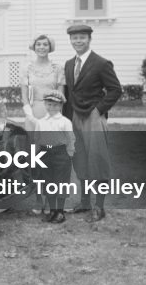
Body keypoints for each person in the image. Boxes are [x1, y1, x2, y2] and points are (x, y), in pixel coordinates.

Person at [63, 23, 122, 221]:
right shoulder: (69, 64)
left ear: (89, 39)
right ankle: (85, 202)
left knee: (97, 161)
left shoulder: (101, 63)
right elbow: (70, 93)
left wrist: (99, 110)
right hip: (74, 118)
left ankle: (99, 207)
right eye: (74, 38)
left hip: (94, 118)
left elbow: (115, 90)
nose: (78, 41)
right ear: (70, 40)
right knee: (80, 161)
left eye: (82, 37)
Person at [20, 34, 63, 214]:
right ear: (34, 47)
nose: (42, 47)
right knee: (36, 160)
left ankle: (53, 200)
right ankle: (39, 201)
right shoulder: (27, 69)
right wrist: (30, 115)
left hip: (52, 114)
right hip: (34, 115)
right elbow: (25, 97)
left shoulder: (57, 68)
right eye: (39, 44)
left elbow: (61, 96)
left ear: (50, 47)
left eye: (45, 44)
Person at [22, 90, 75, 223]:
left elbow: (70, 139)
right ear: (45, 105)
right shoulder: (41, 122)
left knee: (61, 183)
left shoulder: (65, 122)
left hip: (60, 154)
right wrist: (36, 156)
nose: (52, 108)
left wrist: (69, 154)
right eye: (49, 105)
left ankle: (60, 212)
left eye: (55, 105)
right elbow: (38, 139)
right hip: (45, 154)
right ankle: (52, 211)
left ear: (61, 106)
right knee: (49, 183)